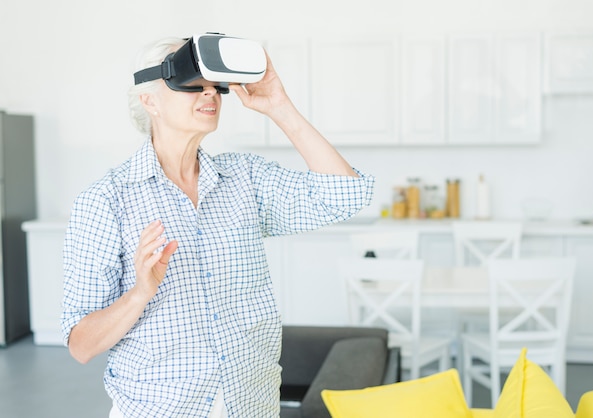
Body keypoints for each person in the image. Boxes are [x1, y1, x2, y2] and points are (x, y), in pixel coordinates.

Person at [61, 34, 374, 417]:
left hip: (251, 405)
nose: (209, 94)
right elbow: (81, 345)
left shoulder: (244, 179)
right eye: (192, 84)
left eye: (215, 86)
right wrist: (140, 293)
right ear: (149, 100)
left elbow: (345, 196)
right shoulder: (106, 202)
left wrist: (279, 106)